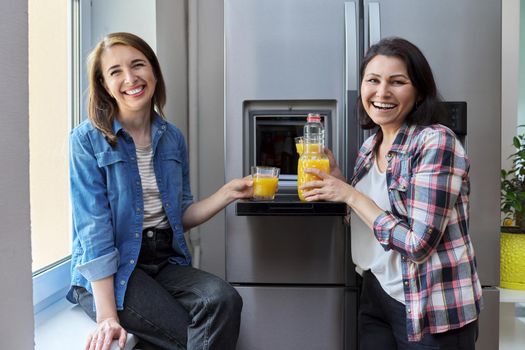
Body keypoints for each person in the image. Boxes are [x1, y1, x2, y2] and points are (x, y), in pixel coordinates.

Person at [66, 32, 253, 350]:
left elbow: (178, 214)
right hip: (113, 270)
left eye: (138, 65)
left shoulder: (172, 137)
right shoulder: (86, 141)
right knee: (186, 336)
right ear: (104, 85)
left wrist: (229, 193)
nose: (130, 78)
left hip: (163, 259)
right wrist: (107, 316)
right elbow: (93, 230)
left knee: (225, 300)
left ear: (153, 71)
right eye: (115, 72)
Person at [302, 37, 481, 349]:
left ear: (419, 91)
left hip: (428, 306)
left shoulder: (436, 142)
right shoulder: (371, 146)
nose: (382, 92)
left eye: (397, 82)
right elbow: (371, 220)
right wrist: (339, 183)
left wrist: (350, 194)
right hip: (377, 291)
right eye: (373, 80)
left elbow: (418, 244)